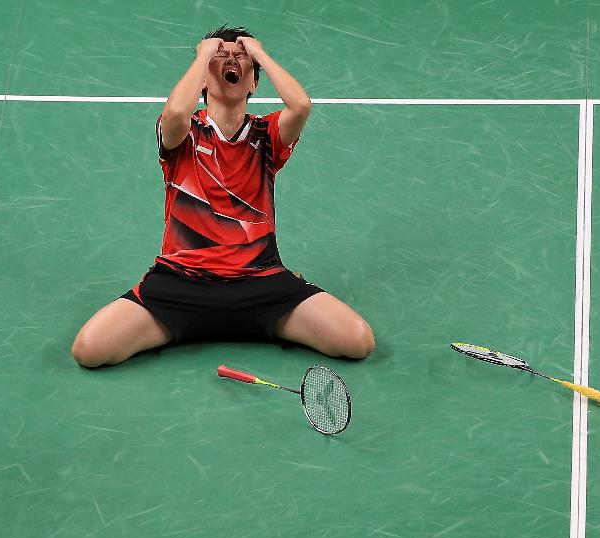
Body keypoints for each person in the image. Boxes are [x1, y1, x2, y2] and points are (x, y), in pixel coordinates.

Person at [72, 25, 374, 368]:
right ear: (203, 78)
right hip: (182, 282)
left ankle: (226, 324)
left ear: (253, 83)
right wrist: (204, 54)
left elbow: (301, 106)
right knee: (90, 349)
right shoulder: (182, 134)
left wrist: (257, 53)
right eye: (221, 57)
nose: (230, 60)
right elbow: (174, 113)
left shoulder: (267, 136)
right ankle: (203, 324)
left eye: (240, 59)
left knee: (357, 340)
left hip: (259, 282)